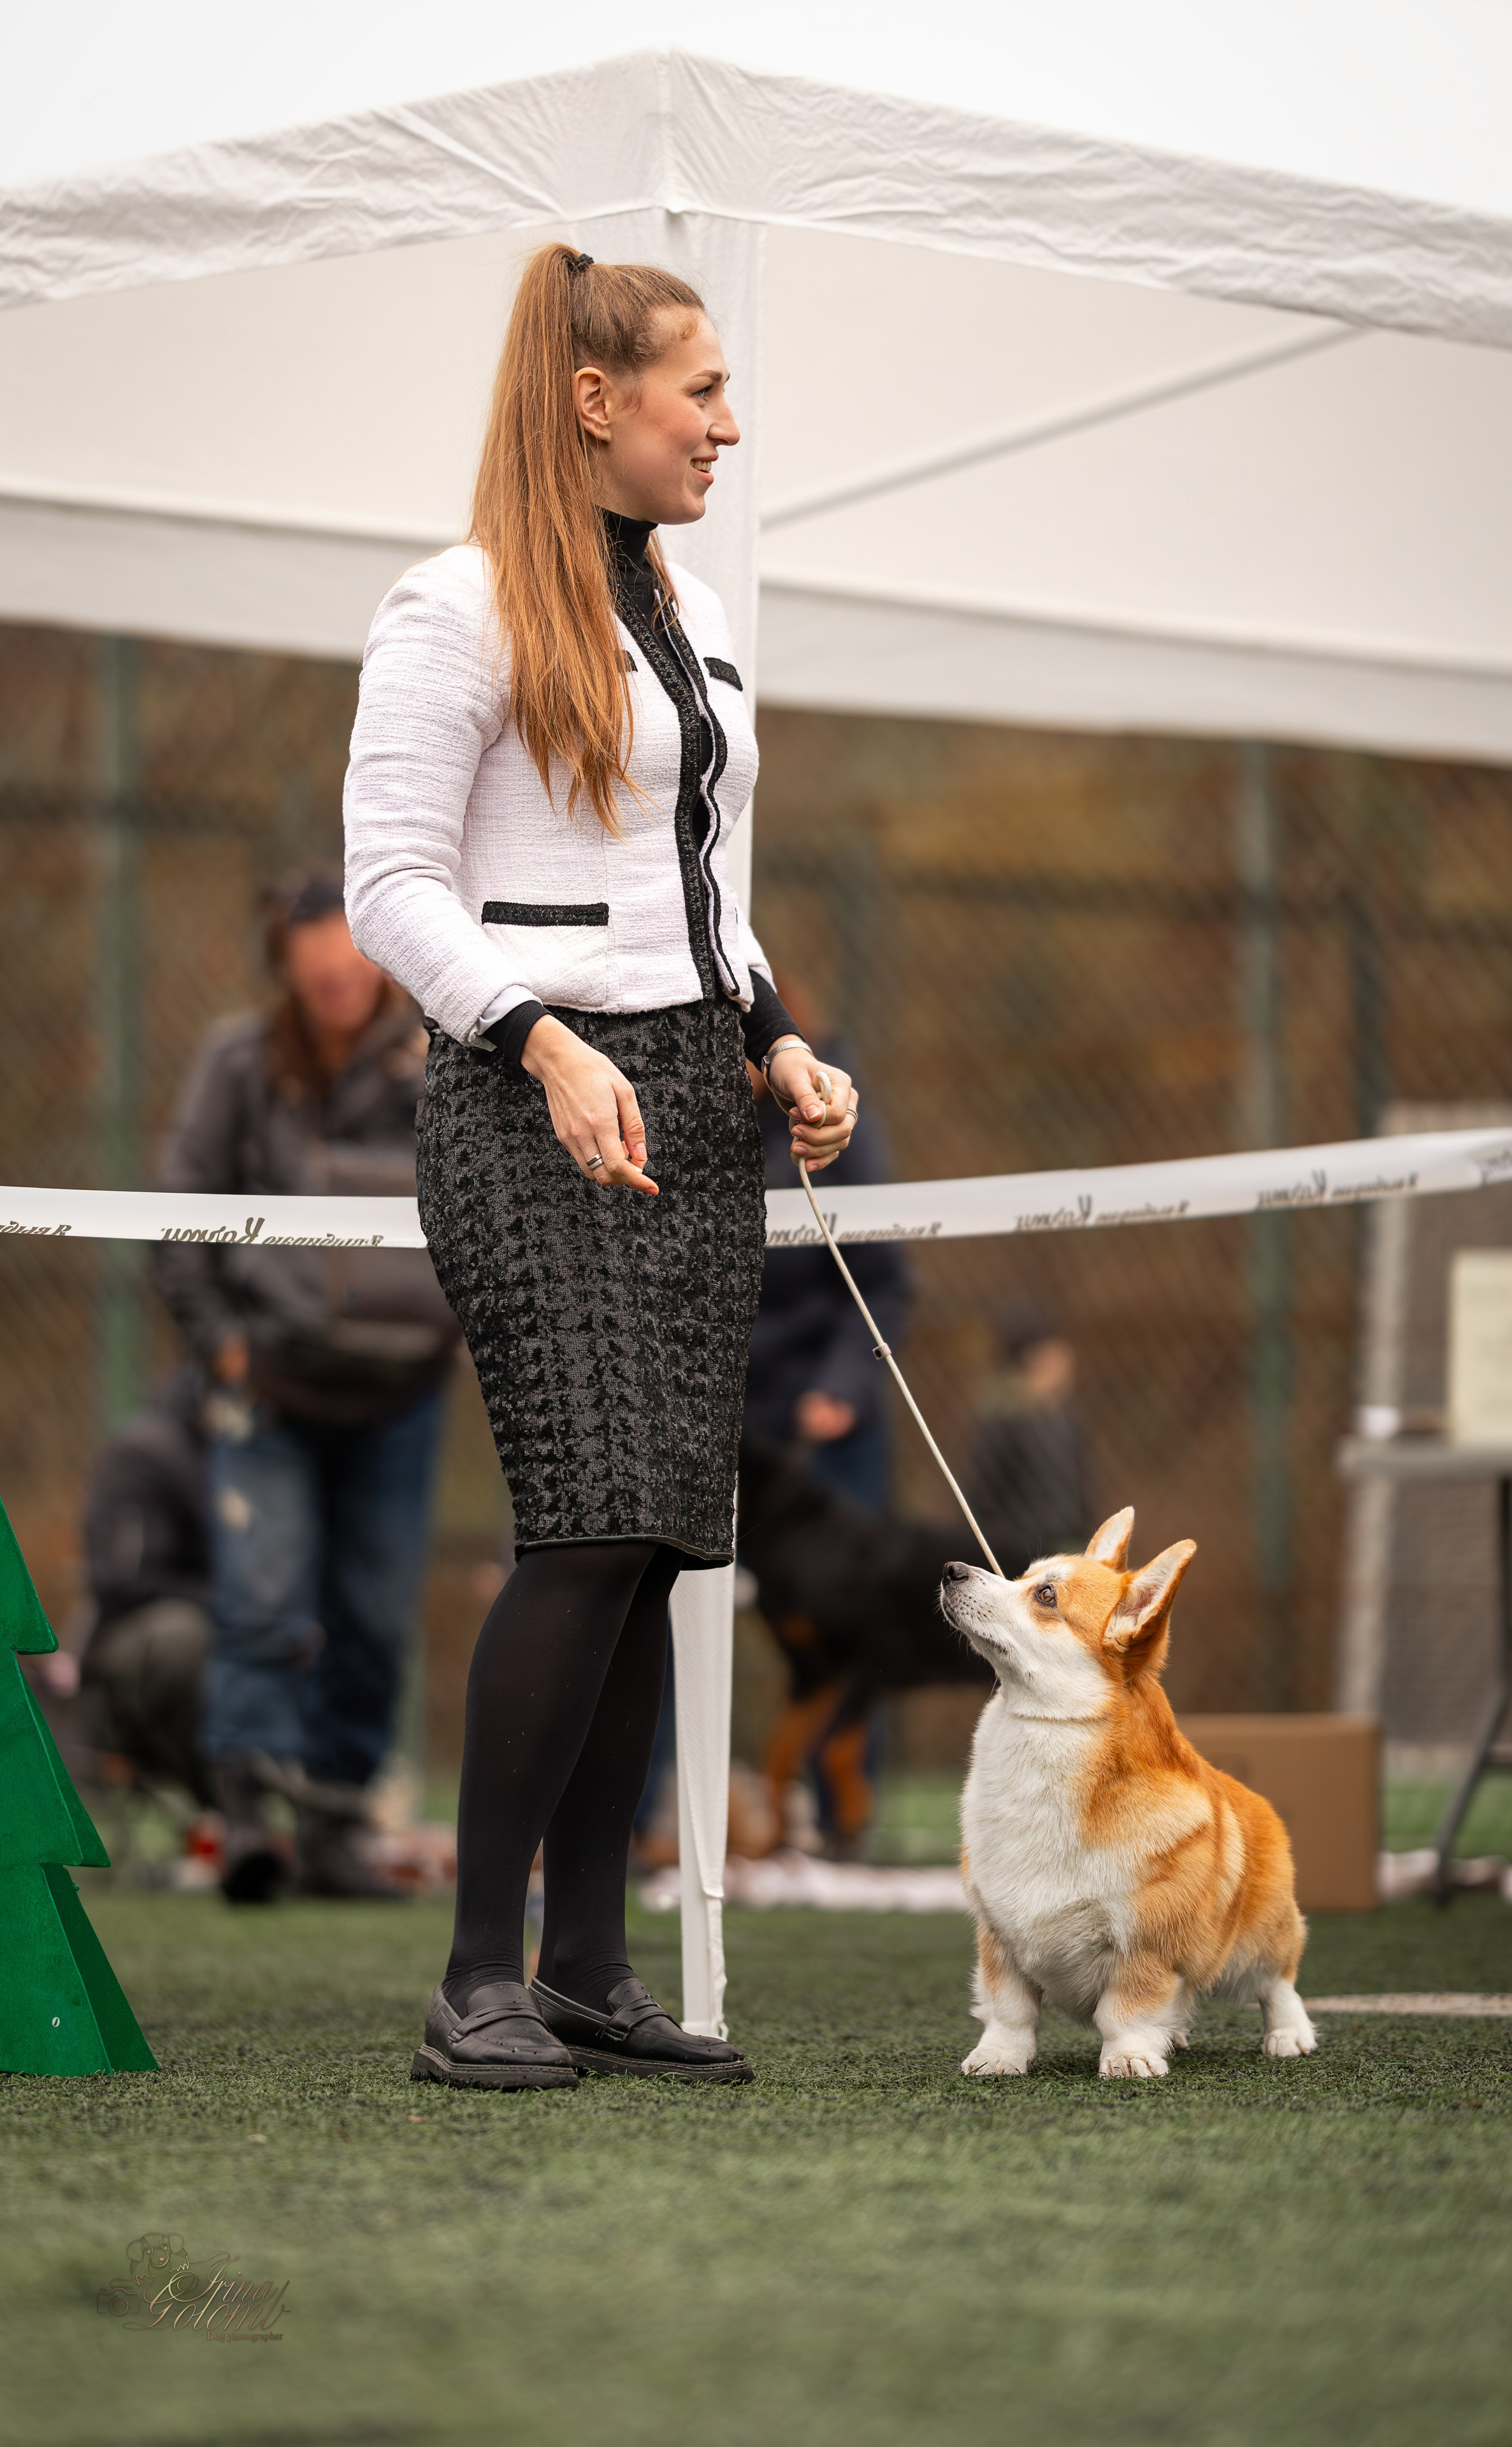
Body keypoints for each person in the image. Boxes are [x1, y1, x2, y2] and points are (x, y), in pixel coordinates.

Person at [344, 243, 858, 2090]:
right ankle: (475, 1975)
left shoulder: (696, 612)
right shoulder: (454, 604)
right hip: (523, 1098)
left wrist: (777, 1040)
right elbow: (390, 885)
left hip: (691, 1111)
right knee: (580, 1523)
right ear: (596, 402)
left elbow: (702, 896)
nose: (728, 423)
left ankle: (585, 1967)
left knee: (654, 1544)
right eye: (700, 390)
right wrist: (542, 1039)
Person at [154, 872, 462, 1903]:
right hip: (269, 1382)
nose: (338, 976)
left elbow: (485, 1192)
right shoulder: (240, 1062)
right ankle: (246, 1817)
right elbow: (179, 1204)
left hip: (400, 1387)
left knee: (374, 1613)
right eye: (316, 959)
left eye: (354, 955)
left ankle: (335, 1825)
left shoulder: (443, 1050)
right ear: (286, 962)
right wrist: (221, 1344)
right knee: (262, 1598)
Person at [744, 996, 908, 1515]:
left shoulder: (836, 1127)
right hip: (718, 1407)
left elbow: (883, 1280)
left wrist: (840, 1384)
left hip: (819, 1414)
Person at [76, 1364, 214, 1811]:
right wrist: (232, 1607)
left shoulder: (275, 1448)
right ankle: (222, 1799)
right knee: (184, 1636)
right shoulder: (147, 1452)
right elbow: (119, 1582)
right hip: (119, 1666)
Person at [964, 1313, 1093, 1576]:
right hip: (1026, 1554)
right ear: (1034, 1357)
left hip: (1070, 1545)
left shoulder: (1062, 1413)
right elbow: (984, 1497)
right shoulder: (1004, 1417)